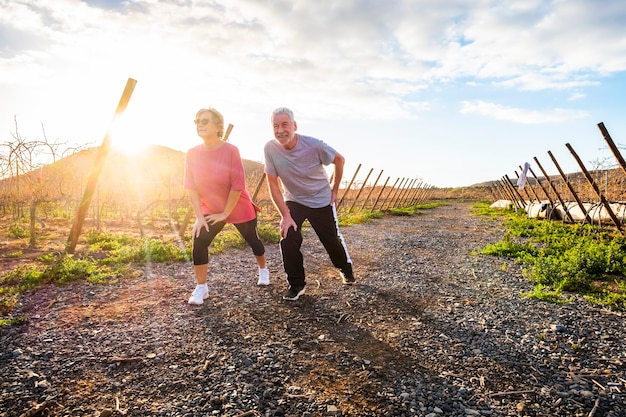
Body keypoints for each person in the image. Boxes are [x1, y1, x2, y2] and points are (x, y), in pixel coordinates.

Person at [264, 107, 355, 301]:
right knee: (288, 236)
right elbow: (272, 183)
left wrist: (335, 189)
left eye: (285, 124)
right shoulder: (270, 148)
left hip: (320, 200)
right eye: (275, 126)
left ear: (294, 126)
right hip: (294, 200)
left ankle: (344, 268)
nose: (280, 130)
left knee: (331, 240)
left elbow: (339, 160)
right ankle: (296, 284)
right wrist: (285, 216)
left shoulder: (314, 146)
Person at [184, 107, 270, 305]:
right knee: (199, 238)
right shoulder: (192, 154)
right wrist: (199, 217)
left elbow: (237, 185)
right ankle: (201, 287)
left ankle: (263, 270)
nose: (199, 124)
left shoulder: (231, 150)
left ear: (218, 126)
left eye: (204, 121)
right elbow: (191, 187)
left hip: (237, 205)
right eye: (197, 121)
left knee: (252, 239)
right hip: (211, 207)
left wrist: (225, 213)